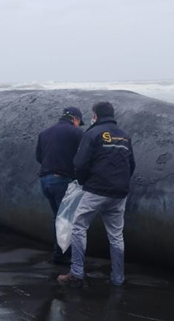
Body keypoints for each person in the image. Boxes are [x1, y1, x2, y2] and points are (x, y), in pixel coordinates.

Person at [58, 101, 136, 287]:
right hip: (119, 193)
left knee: (78, 227)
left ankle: (76, 273)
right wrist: (121, 183)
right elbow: (131, 165)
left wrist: (84, 182)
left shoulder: (92, 133)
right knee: (116, 236)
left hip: (97, 190)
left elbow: (80, 163)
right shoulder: (124, 136)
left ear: (96, 115)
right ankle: (118, 278)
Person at [36, 107, 84, 265]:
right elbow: (84, 156)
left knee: (58, 217)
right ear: (75, 119)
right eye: (79, 122)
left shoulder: (44, 133)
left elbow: (39, 157)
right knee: (66, 219)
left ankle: (60, 252)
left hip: (45, 180)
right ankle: (61, 256)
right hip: (62, 180)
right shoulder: (76, 133)